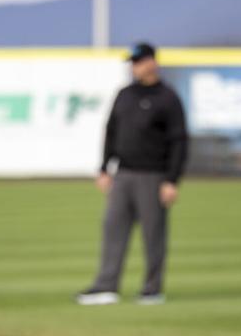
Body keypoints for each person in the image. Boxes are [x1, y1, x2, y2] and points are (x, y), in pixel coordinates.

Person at [76, 42, 188, 306]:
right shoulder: (125, 94)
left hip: (153, 175)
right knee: (112, 228)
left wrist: (171, 180)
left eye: (138, 62)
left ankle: (152, 289)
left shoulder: (167, 97)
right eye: (132, 63)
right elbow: (111, 131)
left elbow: (179, 141)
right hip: (123, 174)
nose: (134, 67)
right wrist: (104, 167)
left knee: (153, 234)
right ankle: (106, 286)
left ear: (152, 63)